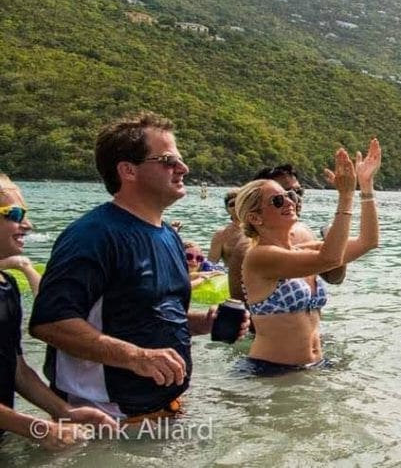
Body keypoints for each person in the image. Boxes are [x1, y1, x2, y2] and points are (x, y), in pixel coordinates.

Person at [29, 111, 248, 419]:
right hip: (103, 416)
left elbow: (146, 315)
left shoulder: (169, 234)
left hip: (165, 409)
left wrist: (204, 324)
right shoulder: (93, 235)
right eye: (168, 161)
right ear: (128, 171)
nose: (183, 168)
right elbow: (49, 323)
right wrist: (135, 357)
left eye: (180, 160)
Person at [235, 139, 380, 375]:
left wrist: (365, 186)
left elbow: (368, 241)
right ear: (255, 218)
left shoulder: (300, 250)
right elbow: (330, 259)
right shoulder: (260, 257)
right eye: (278, 200)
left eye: (290, 195)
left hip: (312, 367)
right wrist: (345, 196)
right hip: (271, 372)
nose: (291, 202)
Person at [1, 175, 117, 450]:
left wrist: (65, 412)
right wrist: (33, 427)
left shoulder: (8, 287)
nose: (27, 225)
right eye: (15, 214)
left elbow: (16, 369)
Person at [208, 189, 246, 301]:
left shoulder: (260, 229)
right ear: (227, 210)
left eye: (239, 202)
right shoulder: (221, 235)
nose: (235, 206)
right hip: (231, 281)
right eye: (232, 204)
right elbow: (211, 264)